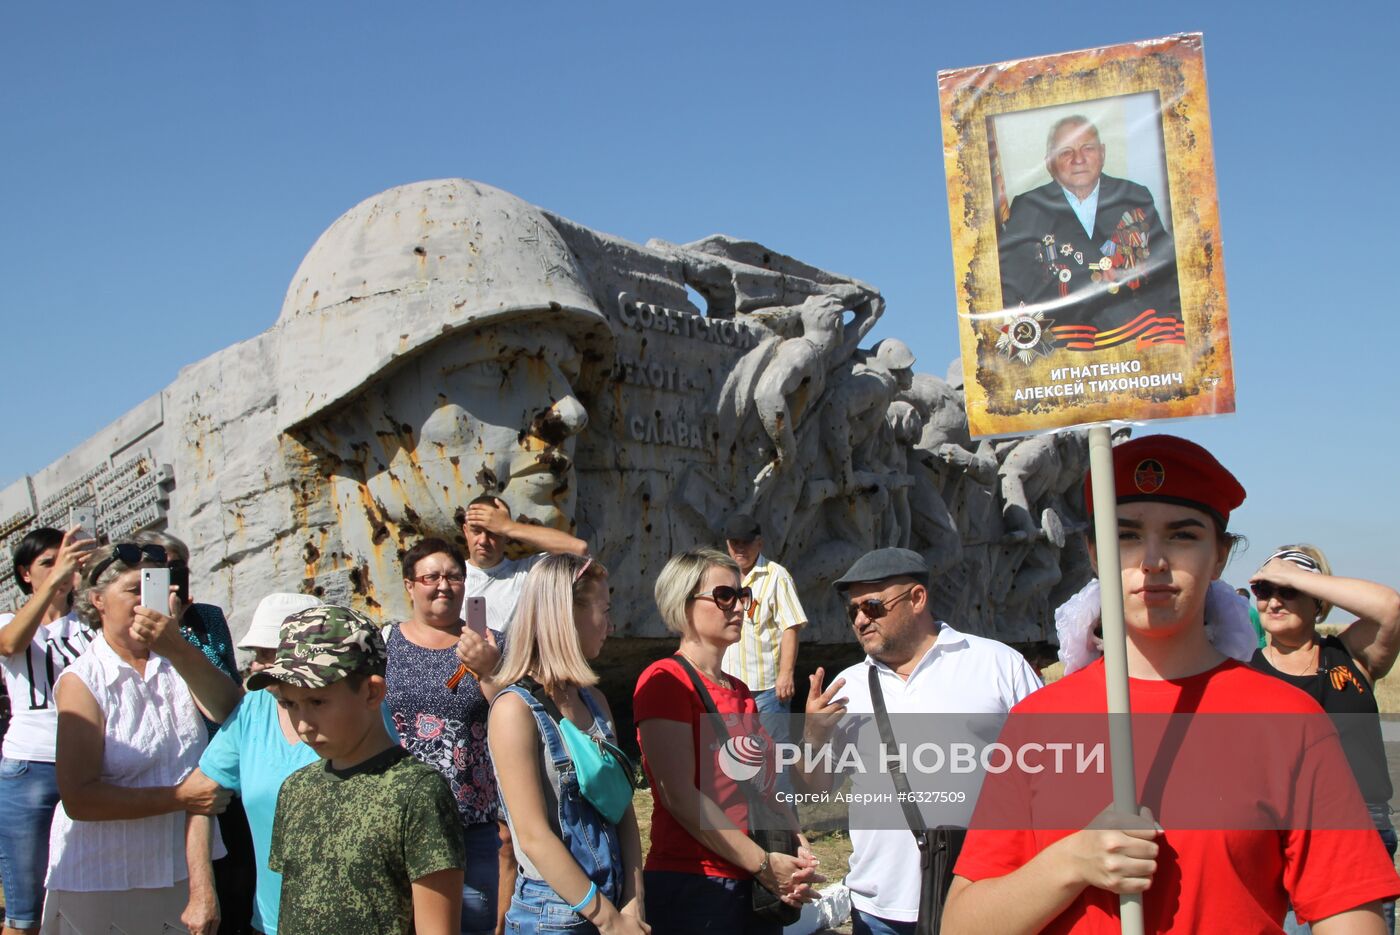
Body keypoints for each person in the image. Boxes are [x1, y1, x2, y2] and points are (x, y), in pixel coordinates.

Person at [943, 435, 1400, 934]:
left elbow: (1350, 915)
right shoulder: (1038, 720)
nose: (1153, 560)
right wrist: (1070, 863)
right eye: (1127, 536)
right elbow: (963, 924)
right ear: (1094, 553)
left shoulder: (1290, 720)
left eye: (1183, 536)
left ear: (1220, 556)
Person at [797, 547, 1042, 935]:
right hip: (878, 907)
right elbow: (813, 793)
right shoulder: (847, 687)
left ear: (916, 599)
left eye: (873, 606)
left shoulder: (996, 665)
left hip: (981, 898)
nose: (861, 620)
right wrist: (813, 736)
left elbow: (1049, 774)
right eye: (853, 611)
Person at [44, 542, 242, 933]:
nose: (151, 598)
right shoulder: (83, 680)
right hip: (103, 879)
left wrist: (178, 647)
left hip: (177, 874)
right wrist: (179, 797)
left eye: (159, 585)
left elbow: (228, 711)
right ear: (98, 601)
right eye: (135, 589)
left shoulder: (177, 662)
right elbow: (79, 798)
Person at [634, 548, 822, 934]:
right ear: (683, 604)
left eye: (742, 595)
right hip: (697, 883)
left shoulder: (739, 690)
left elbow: (764, 786)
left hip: (752, 881)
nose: (738, 606)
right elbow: (680, 797)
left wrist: (798, 847)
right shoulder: (666, 682)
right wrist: (764, 864)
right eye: (724, 596)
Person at [251, 605, 466, 935]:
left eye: (317, 702)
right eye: (289, 704)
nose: (303, 725)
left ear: (371, 692)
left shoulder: (418, 791)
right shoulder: (296, 789)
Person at [178, 591, 368, 935]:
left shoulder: (360, 710)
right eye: (257, 654)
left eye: (270, 654)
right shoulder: (255, 708)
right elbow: (199, 797)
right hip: (271, 923)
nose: (256, 665)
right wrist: (202, 891)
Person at [488, 552, 648, 934]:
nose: (610, 625)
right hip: (553, 917)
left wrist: (634, 903)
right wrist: (610, 921)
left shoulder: (595, 700)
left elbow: (622, 809)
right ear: (566, 614)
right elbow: (532, 835)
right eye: (603, 610)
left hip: (614, 907)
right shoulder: (514, 711)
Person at [1248, 545, 1400, 933]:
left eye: (1288, 591)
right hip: (1279, 835)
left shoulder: (1351, 655)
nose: (1274, 601)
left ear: (1318, 602)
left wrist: (1294, 573)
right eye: (1264, 590)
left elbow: (1390, 608)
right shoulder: (1244, 670)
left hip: (1362, 828)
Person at [386, 537, 509, 935]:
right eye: (431, 576)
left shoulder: (490, 642)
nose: (443, 585)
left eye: (454, 576)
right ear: (409, 584)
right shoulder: (384, 643)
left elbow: (511, 715)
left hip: (468, 823)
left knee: (470, 924)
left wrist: (489, 670)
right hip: (394, 820)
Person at [136, 528, 256, 934]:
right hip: (169, 774)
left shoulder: (205, 618)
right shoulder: (130, 630)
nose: (171, 577)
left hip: (219, 767)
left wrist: (178, 634)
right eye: (158, 570)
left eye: (177, 568)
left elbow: (227, 699)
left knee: (235, 886)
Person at [998, 115, 1181, 346]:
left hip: (1134, 338)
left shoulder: (1135, 196)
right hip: (1066, 348)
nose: (1078, 159)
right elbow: (1011, 284)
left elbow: (1166, 270)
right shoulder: (1028, 207)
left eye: (1088, 148)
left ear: (1102, 153)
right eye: (1066, 152)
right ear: (1049, 163)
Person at [0, 528, 97, 934]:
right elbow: (10, 644)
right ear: (26, 573)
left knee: (90, 899)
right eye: (47, 563)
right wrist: (56, 582)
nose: (61, 569)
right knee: (25, 913)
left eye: (66, 559)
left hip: (92, 765)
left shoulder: (92, 622)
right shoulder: (9, 618)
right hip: (30, 769)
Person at [718, 515, 807, 748]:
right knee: (734, 754)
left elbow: (791, 626)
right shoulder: (721, 578)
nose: (740, 548)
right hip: (730, 686)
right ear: (727, 544)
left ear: (759, 543)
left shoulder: (776, 576)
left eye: (746, 543)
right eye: (734, 542)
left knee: (775, 754)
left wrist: (786, 674)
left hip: (767, 687)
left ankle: (782, 787)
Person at [461, 494, 589, 633]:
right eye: (477, 531)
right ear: (465, 531)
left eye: (493, 533)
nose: (483, 540)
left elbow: (578, 549)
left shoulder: (527, 573)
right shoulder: (448, 576)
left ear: (506, 537)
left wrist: (508, 526)